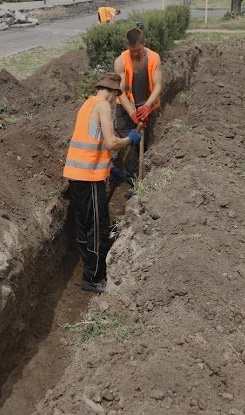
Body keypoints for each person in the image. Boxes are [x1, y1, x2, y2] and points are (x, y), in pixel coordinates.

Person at [63, 72, 142, 294]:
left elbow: (93, 143)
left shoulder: (87, 103)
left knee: (85, 225)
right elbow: (110, 142)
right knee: (97, 228)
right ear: (115, 93)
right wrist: (130, 139)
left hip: (77, 175)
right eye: (117, 97)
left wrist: (111, 169)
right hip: (89, 178)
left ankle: (89, 269)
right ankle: (93, 277)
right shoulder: (104, 106)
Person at [113, 26, 163, 175]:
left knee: (145, 141)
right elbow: (119, 91)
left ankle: (145, 173)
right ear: (127, 45)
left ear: (144, 43)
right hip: (125, 108)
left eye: (138, 50)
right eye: (132, 50)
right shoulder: (120, 61)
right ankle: (132, 178)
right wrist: (132, 113)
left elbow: (158, 85)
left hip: (147, 107)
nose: (135, 53)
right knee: (128, 142)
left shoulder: (154, 58)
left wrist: (147, 107)